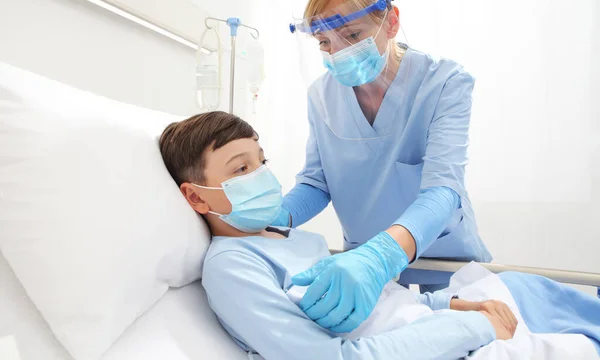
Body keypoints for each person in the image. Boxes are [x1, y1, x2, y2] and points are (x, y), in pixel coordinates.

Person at [158, 111, 600, 360]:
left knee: (541, 294)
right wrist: (473, 325)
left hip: (435, 325)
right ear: (197, 199)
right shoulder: (232, 265)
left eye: (261, 160)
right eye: (240, 169)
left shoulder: (289, 237)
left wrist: (449, 303)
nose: (262, 175)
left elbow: (380, 302)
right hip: (442, 345)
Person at [274, 0, 491, 332]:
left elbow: (444, 189)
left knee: (471, 338)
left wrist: (381, 255)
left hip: (442, 259)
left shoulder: (443, 82)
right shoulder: (321, 96)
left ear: (390, 21)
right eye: (324, 42)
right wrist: (275, 219)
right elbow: (316, 182)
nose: (336, 52)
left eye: (352, 35)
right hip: (364, 269)